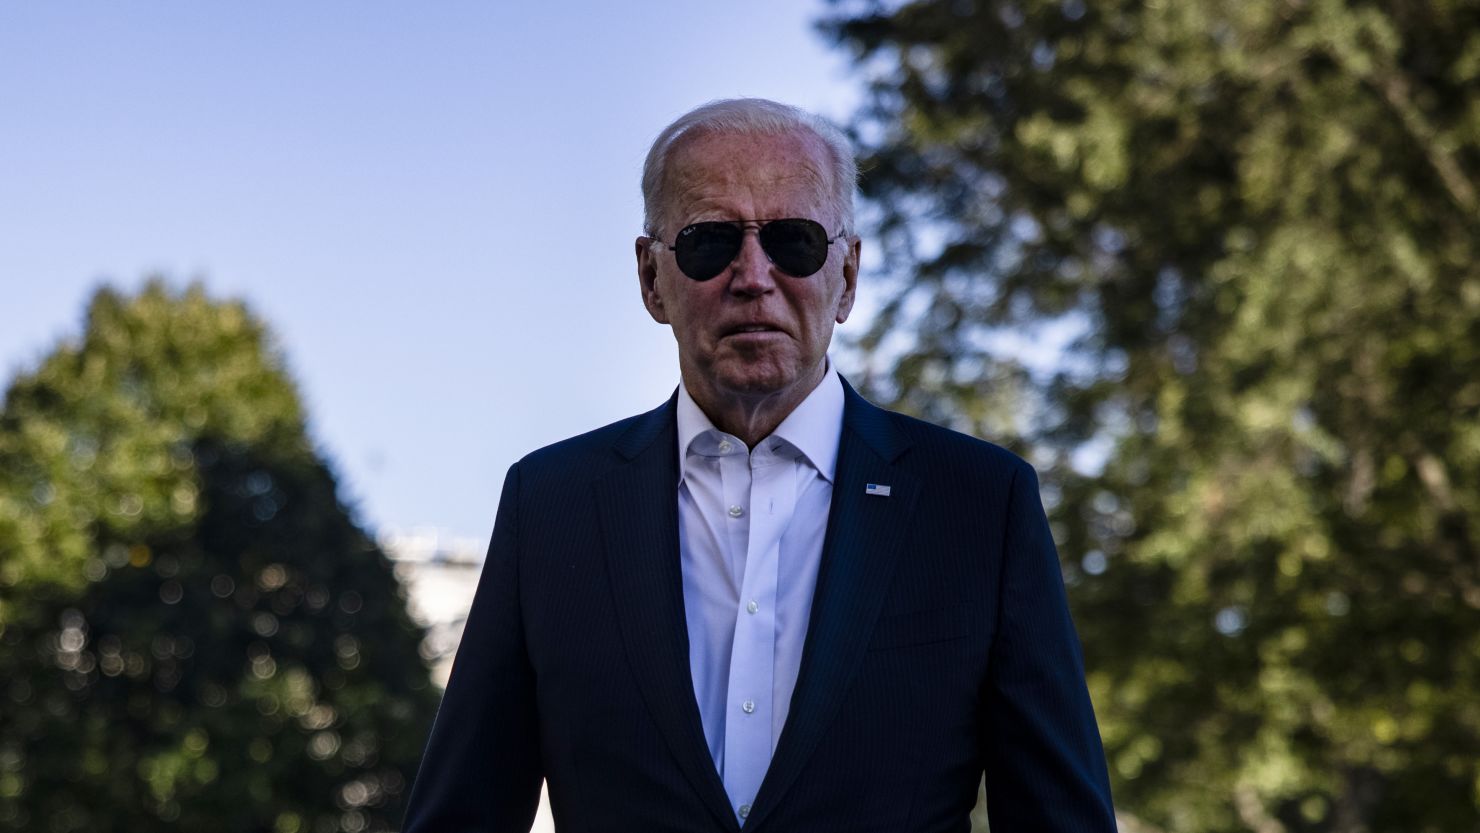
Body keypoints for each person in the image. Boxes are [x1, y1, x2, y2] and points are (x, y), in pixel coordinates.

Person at [401, 98, 1116, 833]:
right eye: (710, 242)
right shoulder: (551, 505)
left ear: (848, 275)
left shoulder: (978, 505)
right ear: (652, 276)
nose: (753, 274)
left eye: (794, 241)